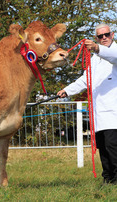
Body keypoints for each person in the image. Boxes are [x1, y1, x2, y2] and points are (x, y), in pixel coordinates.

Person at [57, 23, 117, 184]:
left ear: (112, 35)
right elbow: (85, 79)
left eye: (106, 35)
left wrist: (97, 48)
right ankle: (108, 179)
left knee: (113, 147)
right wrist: (67, 90)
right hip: (98, 113)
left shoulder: (113, 52)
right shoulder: (95, 58)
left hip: (113, 113)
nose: (104, 38)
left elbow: (113, 56)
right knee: (102, 147)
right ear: (96, 37)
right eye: (100, 36)